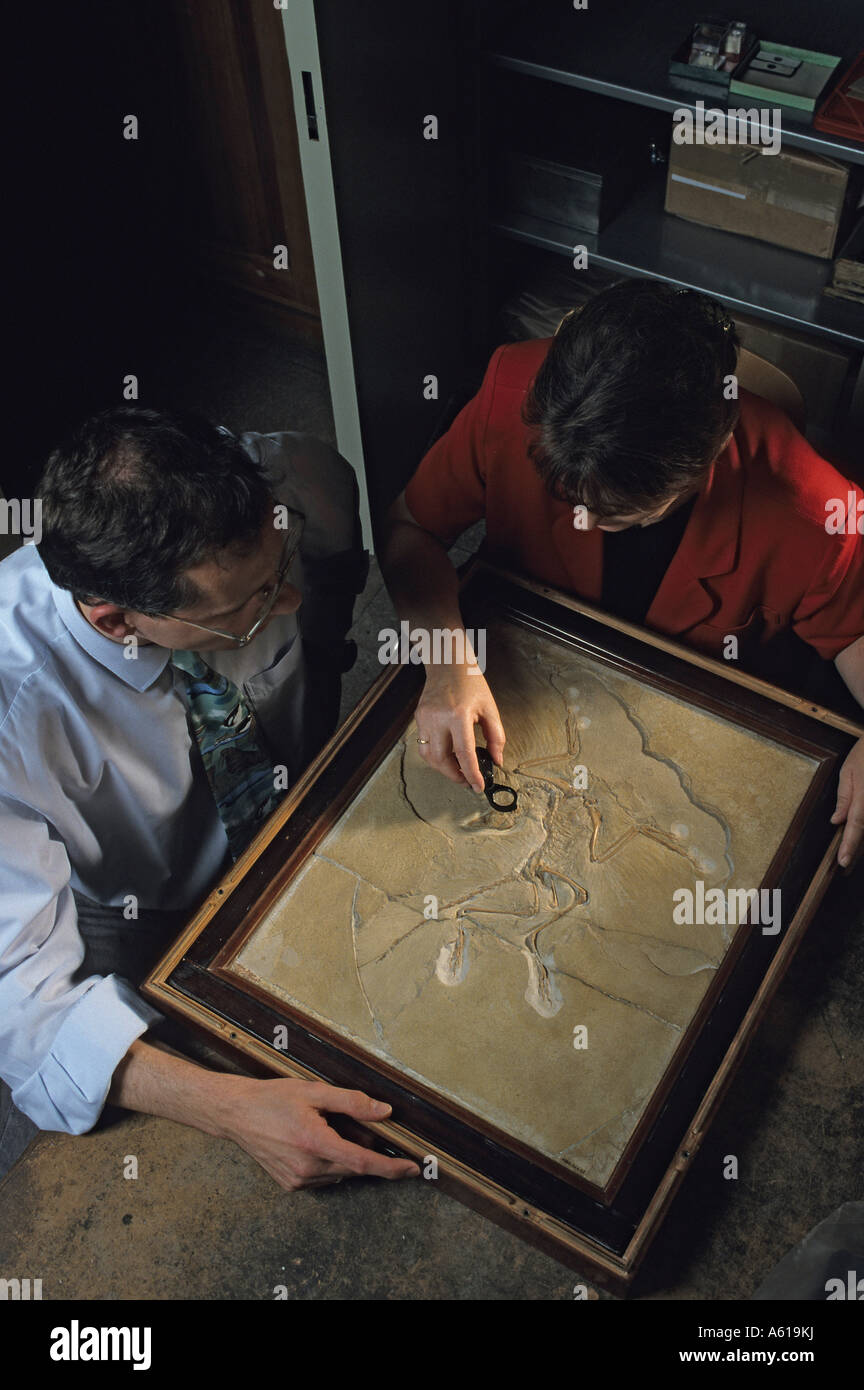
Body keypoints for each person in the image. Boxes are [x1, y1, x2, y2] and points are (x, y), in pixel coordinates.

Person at [0, 406, 420, 1188]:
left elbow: (328, 580)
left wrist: (325, 654)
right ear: (118, 621)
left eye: (278, 566)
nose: (285, 602)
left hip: (298, 800)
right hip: (140, 906)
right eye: (250, 608)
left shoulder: (297, 474)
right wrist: (233, 1109)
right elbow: (25, 1014)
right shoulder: (10, 710)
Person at [380, 278, 864, 868]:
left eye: (620, 510)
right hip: (529, 665)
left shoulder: (816, 510)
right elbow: (411, 529)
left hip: (691, 713)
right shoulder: (512, 387)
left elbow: (855, 634)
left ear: (711, 449)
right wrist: (446, 661)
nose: (584, 516)